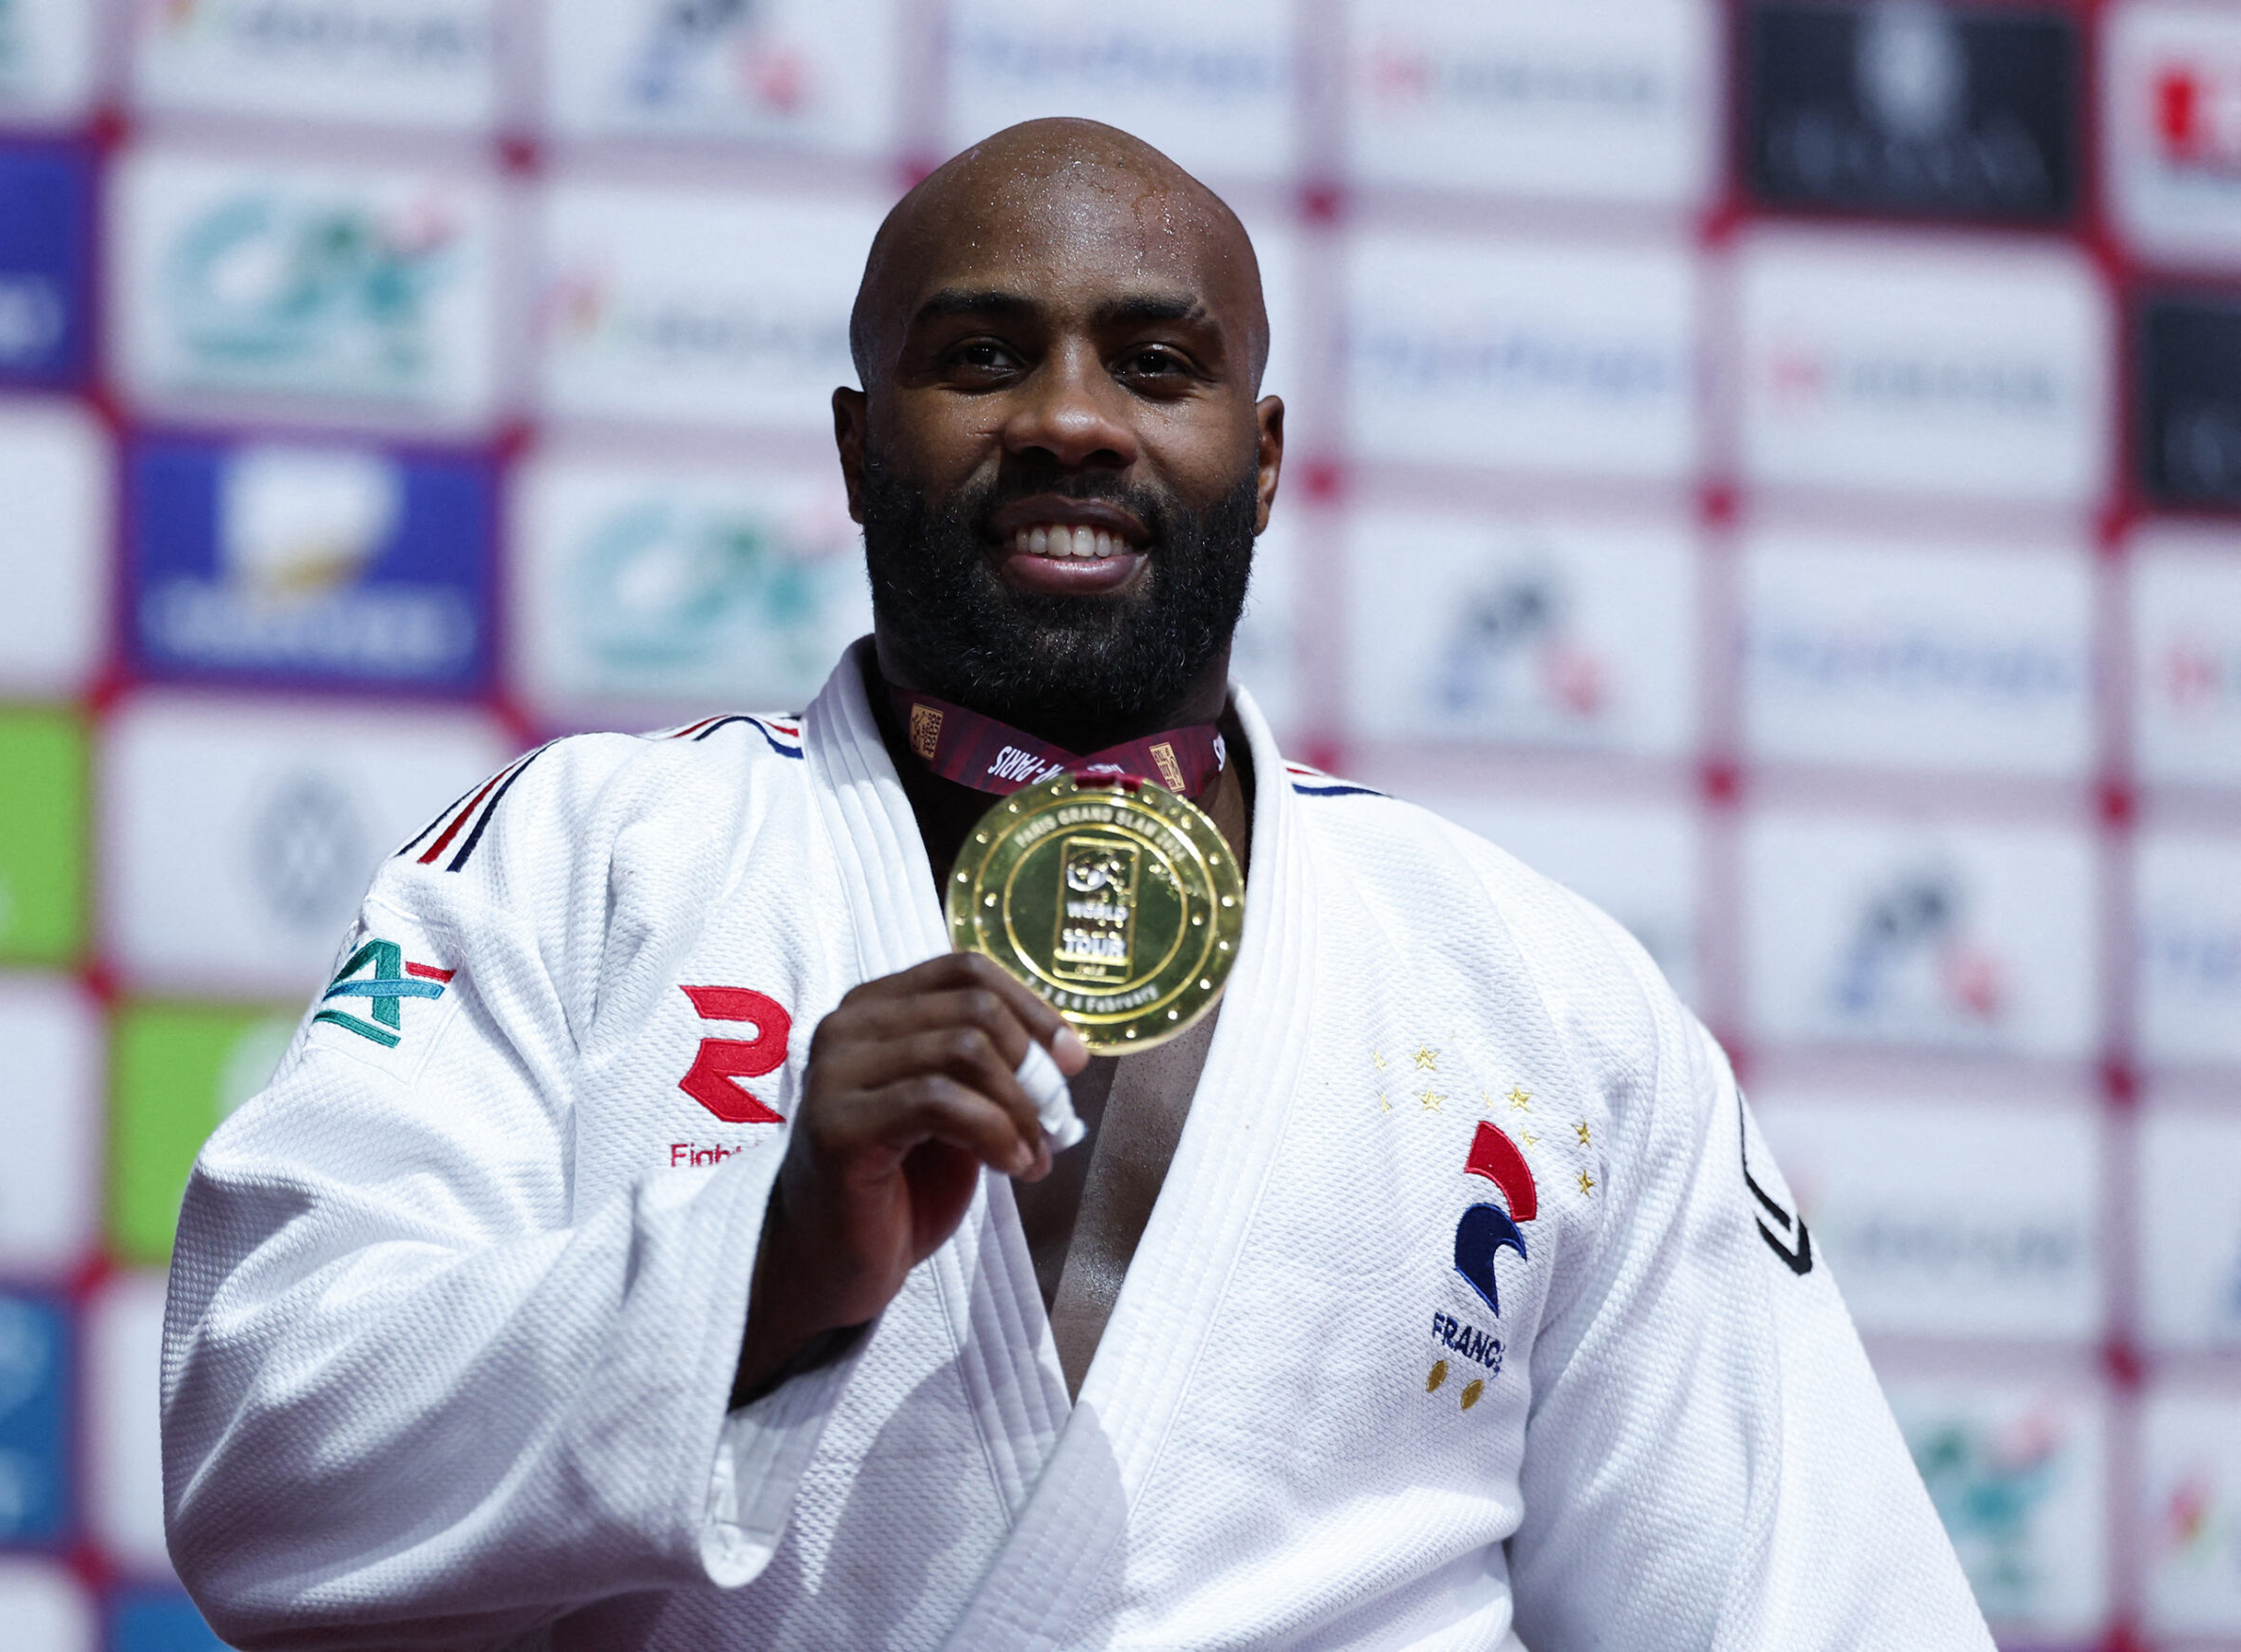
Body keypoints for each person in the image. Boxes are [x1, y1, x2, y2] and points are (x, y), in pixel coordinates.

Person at [162, 120, 1993, 1651]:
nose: (1069, 419)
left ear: (1259, 462)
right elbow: (262, 1441)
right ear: (855, 444)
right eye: (976, 356)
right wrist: (761, 1265)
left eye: (1155, 361)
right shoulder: (582, 866)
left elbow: (1810, 1603)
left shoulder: (1536, 997)